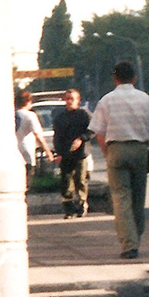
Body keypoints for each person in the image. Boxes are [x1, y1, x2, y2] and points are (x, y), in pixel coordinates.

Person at [90, 60, 149, 260]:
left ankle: (128, 244)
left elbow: (99, 132)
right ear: (134, 78)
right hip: (139, 149)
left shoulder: (106, 101)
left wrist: (107, 153)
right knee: (139, 197)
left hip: (116, 149)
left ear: (114, 79)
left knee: (121, 197)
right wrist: (144, 141)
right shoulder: (145, 99)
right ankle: (136, 239)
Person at [52, 88, 93, 219]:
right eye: (67, 98)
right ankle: (68, 208)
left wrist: (82, 138)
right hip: (65, 154)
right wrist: (58, 152)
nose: (69, 101)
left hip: (81, 153)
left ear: (78, 100)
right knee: (66, 181)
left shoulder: (84, 115)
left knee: (81, 180)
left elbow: (92, 130)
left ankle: (82, 205)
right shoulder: (60, 117)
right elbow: (57, 136)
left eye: (72, 98)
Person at [15, 89, 54, 182]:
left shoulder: (11, 115)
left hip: (13, 152)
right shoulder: (30, 115)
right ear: (28, 101)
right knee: (26, 179)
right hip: (26, 151)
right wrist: (47, 151)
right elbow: (38, 135)